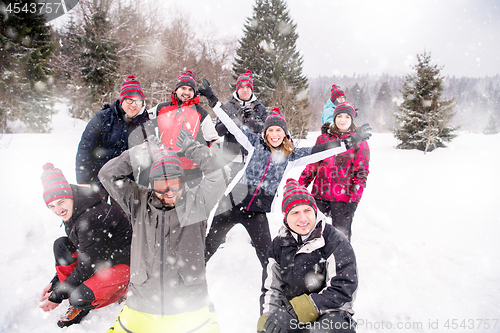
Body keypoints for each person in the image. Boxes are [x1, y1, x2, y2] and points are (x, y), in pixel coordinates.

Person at [199, 79, 371, 267]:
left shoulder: (291, 156)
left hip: (257, 212)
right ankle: (192, 278)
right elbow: (230, 124)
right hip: (230, 204)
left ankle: (275, 289)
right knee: (210, 244)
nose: (274, 134)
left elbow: (320, 150)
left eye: (278, 130)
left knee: (267, 257)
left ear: (285, 134)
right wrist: (212, 99)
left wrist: (348, 143)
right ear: (265, 132)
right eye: (270, 130)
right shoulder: (254, 143)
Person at [98, 129, 225, 332]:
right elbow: (107, 175)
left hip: (190, 307)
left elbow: (219, 175)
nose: (169, 192)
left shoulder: (197, 202)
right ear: (152, 185)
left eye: (174, 184)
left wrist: (192, 149)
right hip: (142, 306)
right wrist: (144, 151)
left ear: (183, 182)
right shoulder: (138, 203)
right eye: (161, 185)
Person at [257, 179, 357, 333]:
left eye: (307, 210)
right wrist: (268, 320)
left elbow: (343, 287)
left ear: (315, 212)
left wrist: (298, 310)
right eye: (295, 212)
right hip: (291, 315)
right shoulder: (278, 246)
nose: (303, 218)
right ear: (285, 218)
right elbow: (272, 290)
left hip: (331, 312)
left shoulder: (334, 240)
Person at [39, 163, 131, 328]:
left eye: (61, 202)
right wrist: (56, 284)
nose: (58, 210)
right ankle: (75, 292)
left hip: (121, 263)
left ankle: (121, 290)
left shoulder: (91, 216)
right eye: (51, 206)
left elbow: (87, 265)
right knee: (61, 245)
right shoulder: (74, 208)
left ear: (70, 195)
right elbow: (83, 251)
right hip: (99, 258)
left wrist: (56, 297)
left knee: (79, 298)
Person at [76, 74, 154, 201]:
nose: (134, 105)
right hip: (97, 178)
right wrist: (83, 180)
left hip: (125, 182)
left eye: (138, 101)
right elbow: (85, 148)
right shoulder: (103, 117)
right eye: (130, 100)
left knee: (122, 218)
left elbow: (149, 159)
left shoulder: (145, 124)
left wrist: (142, 186)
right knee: (95, 215)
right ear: (122, 99)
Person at [299, 103, 370, 241]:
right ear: (334, 118)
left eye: (347, 117)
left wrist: (354, 200)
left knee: (341, 240)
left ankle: (340, 263)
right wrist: (299, 187)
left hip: (343, 199)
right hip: (319, 196)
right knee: (314, 235)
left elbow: (361, 173)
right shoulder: (323, 139)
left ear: (352, 120)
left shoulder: (359, 142)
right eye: (339, 116)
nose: (343, 120)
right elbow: (312, 166)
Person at [148, 70, 219, 187]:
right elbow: (140, 119)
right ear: (176, 90)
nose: (186, 92)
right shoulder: (161, 108)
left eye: (190, 90)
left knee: (190, 204)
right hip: (165, 165)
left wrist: (210, 162)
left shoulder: (201, 114)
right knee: (165, 202)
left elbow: (213, 141)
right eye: (183, 88)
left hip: (191, 169)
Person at [215, 69, 268, 176]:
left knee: (250, 191)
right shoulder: (226, 106)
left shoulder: (260, 108)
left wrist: (255, 124)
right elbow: (218, 131)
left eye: (248, 87)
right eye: (242, 87)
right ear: (237, 89)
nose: (245, 90)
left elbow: (268, 133)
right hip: (230, 159)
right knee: (229, 191)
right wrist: (235, 119)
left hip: (253, 159)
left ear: (252, 90)